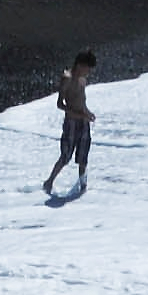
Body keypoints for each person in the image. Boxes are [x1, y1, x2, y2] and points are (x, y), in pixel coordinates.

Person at [46, 51, 95, 199]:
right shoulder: (67, 78)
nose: (89, 72)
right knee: (66, 155)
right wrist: (78, 114)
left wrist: (88, 113)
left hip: (83, 121)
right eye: (87, 68)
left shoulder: (82, 79)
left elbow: (82, 101)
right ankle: (49, 181)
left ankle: (83, 185)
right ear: (80, 65)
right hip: (71, 122)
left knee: (83, 156)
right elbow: (60, 104)